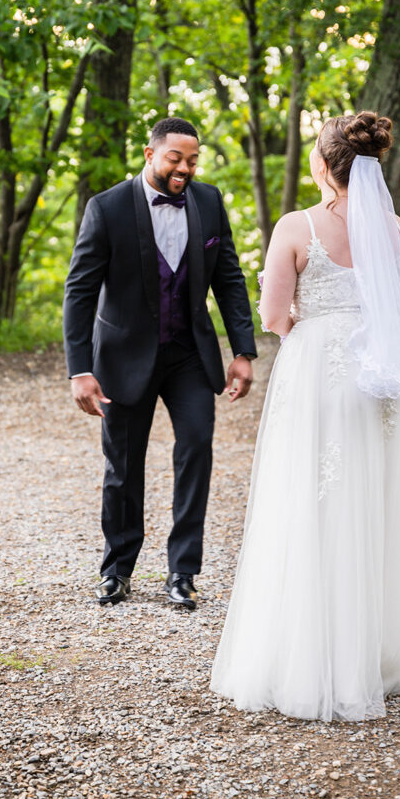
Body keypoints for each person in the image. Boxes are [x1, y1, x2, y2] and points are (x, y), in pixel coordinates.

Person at [211, 111, 400, 721]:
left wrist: (315, 333)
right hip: (383, 378)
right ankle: (374, 654)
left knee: (309, 502)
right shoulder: (397, 233)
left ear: (322, 164)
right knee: (375, 500)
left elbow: (271, 316)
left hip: (318, 371)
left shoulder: (296, 226)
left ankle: (309, 657)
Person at [64, 116, 257, 610]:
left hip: (189, 354)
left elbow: (229, 280)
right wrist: (79, 369)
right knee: (123, 467)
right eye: (175, 157)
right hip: (124, 357)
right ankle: (117, 569)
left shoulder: (210, 202)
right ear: (150, 154)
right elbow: (80, 291)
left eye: (193, 160)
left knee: (196, 451)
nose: (185, 168)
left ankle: (182, 572)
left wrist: (242, 351)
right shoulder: (105, 208)